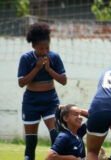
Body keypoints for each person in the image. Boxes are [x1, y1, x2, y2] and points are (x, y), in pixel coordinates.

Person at [17, 22, 67, 160]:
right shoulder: (26, 58)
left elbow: (63, 80)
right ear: (33, 46)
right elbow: (21, 82)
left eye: (47, 48)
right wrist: (37, 68)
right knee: (31, 141)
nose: (44, 52)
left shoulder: (54, 57)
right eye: (40, 48)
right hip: (31, 102)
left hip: (50, 100)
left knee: (56, 135)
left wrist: (49, 69)